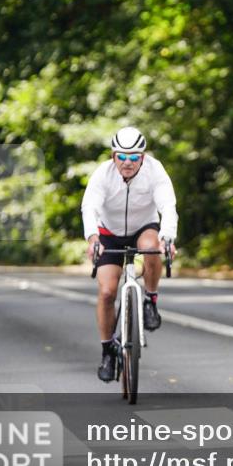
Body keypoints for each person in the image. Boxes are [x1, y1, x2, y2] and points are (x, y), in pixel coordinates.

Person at [81, 126, 178, 383]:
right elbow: (90, 207)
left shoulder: (155, 171)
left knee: (152, 246)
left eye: (134, 157)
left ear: (142, 157)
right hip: (108, 232)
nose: (127, 162)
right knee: (107, 292)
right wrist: (93, 239)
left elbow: (168, 206)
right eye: (121, 156)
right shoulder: (102, 174)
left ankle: (150, 301)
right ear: (113, 156)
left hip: (143, 227)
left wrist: (168, 237)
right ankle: (107, 351)